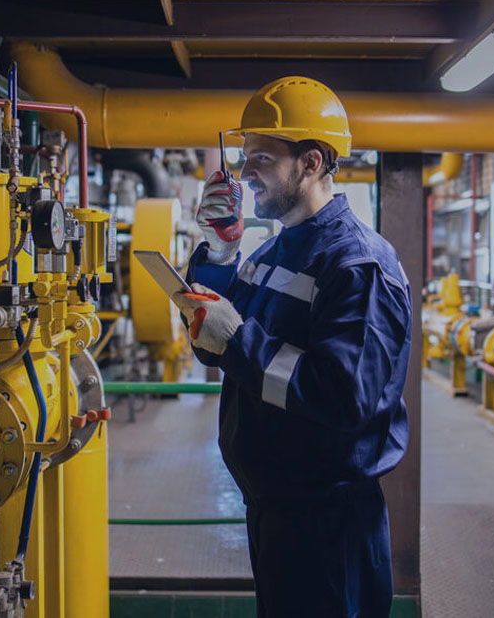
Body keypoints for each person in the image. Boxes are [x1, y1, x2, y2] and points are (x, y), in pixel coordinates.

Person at [172, 76, 412, 618]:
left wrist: (237, 340)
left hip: (328, 523)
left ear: (311, 162)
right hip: (276, 508)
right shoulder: (276, 248)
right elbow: (215, 346)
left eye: (260, 157)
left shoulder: (357, 266)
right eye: (243, 155)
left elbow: (344, 397)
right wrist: (219, 248)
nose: (243, 171)